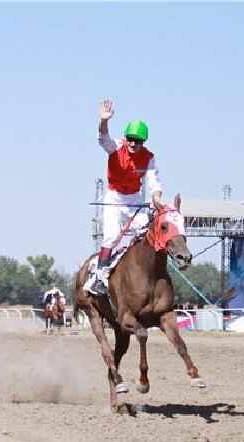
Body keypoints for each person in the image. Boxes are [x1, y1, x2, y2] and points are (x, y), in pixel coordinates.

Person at [84, 99, 165, 296]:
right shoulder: (116, 147)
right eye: (130, 138)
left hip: (134, 199)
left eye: (136, 141)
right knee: (112, 236)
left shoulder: (148, 157)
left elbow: (154, 183)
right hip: (114, 198)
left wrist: (157, 199)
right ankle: (99, 277)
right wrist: (103, 121)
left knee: (148, 232)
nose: (132, 143)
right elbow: (103, 137)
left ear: (143, 142)